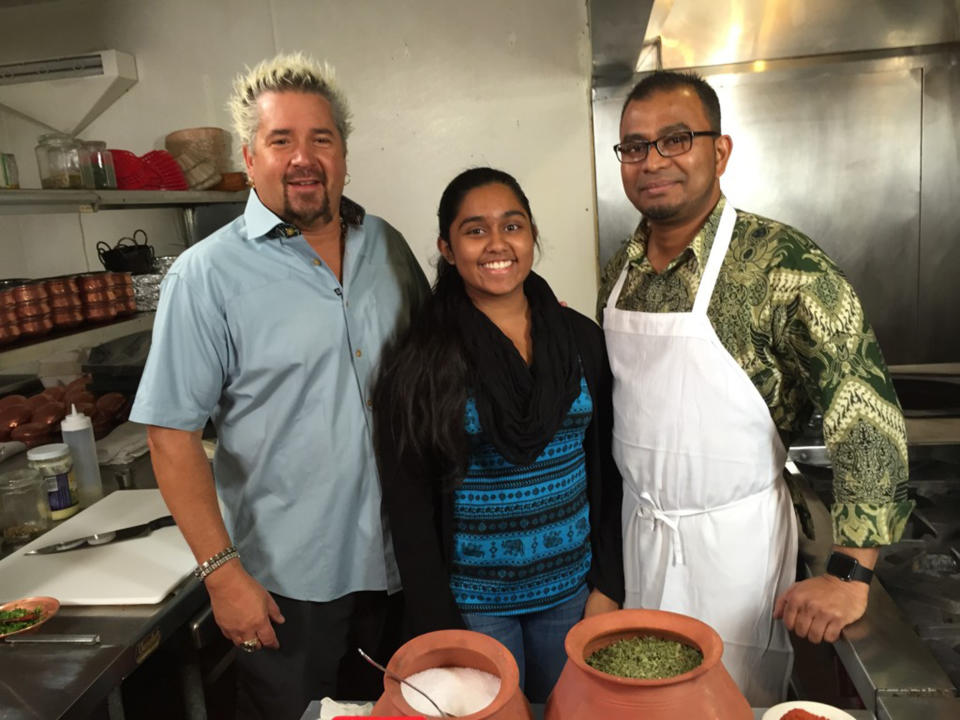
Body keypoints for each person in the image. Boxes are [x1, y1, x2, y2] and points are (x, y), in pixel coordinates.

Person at [599, 71, 913, 706]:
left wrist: (851, 570)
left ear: (720, 151)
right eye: (634, 146)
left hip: (733, 552)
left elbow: (866, 412)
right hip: (640, 536)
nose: (652, 161)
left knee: (727, 705)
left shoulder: (784, 265)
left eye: (675, 139)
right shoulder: (621, 270)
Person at [129, 52, 428, 719]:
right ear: (250, 154)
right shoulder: (206, 277)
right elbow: (169, 436)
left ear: (343, 153)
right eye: (281, 139)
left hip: (402, 566)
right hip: (289, 591)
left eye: (320, 138)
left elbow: (433, 382)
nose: (303, 157)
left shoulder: (389, 249)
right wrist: (221, 574)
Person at [373, 167, 624, 702]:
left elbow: (608, 466)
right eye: (474, 230)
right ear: (446, 246)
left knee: (568, 714)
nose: (497, 244)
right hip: (474, 607)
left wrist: (608, 583)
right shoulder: (422, 359)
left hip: (572, 595)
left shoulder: (580, 339)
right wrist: (440, 622)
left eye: (512, 226)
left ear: (532, 235)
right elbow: (408, 502)